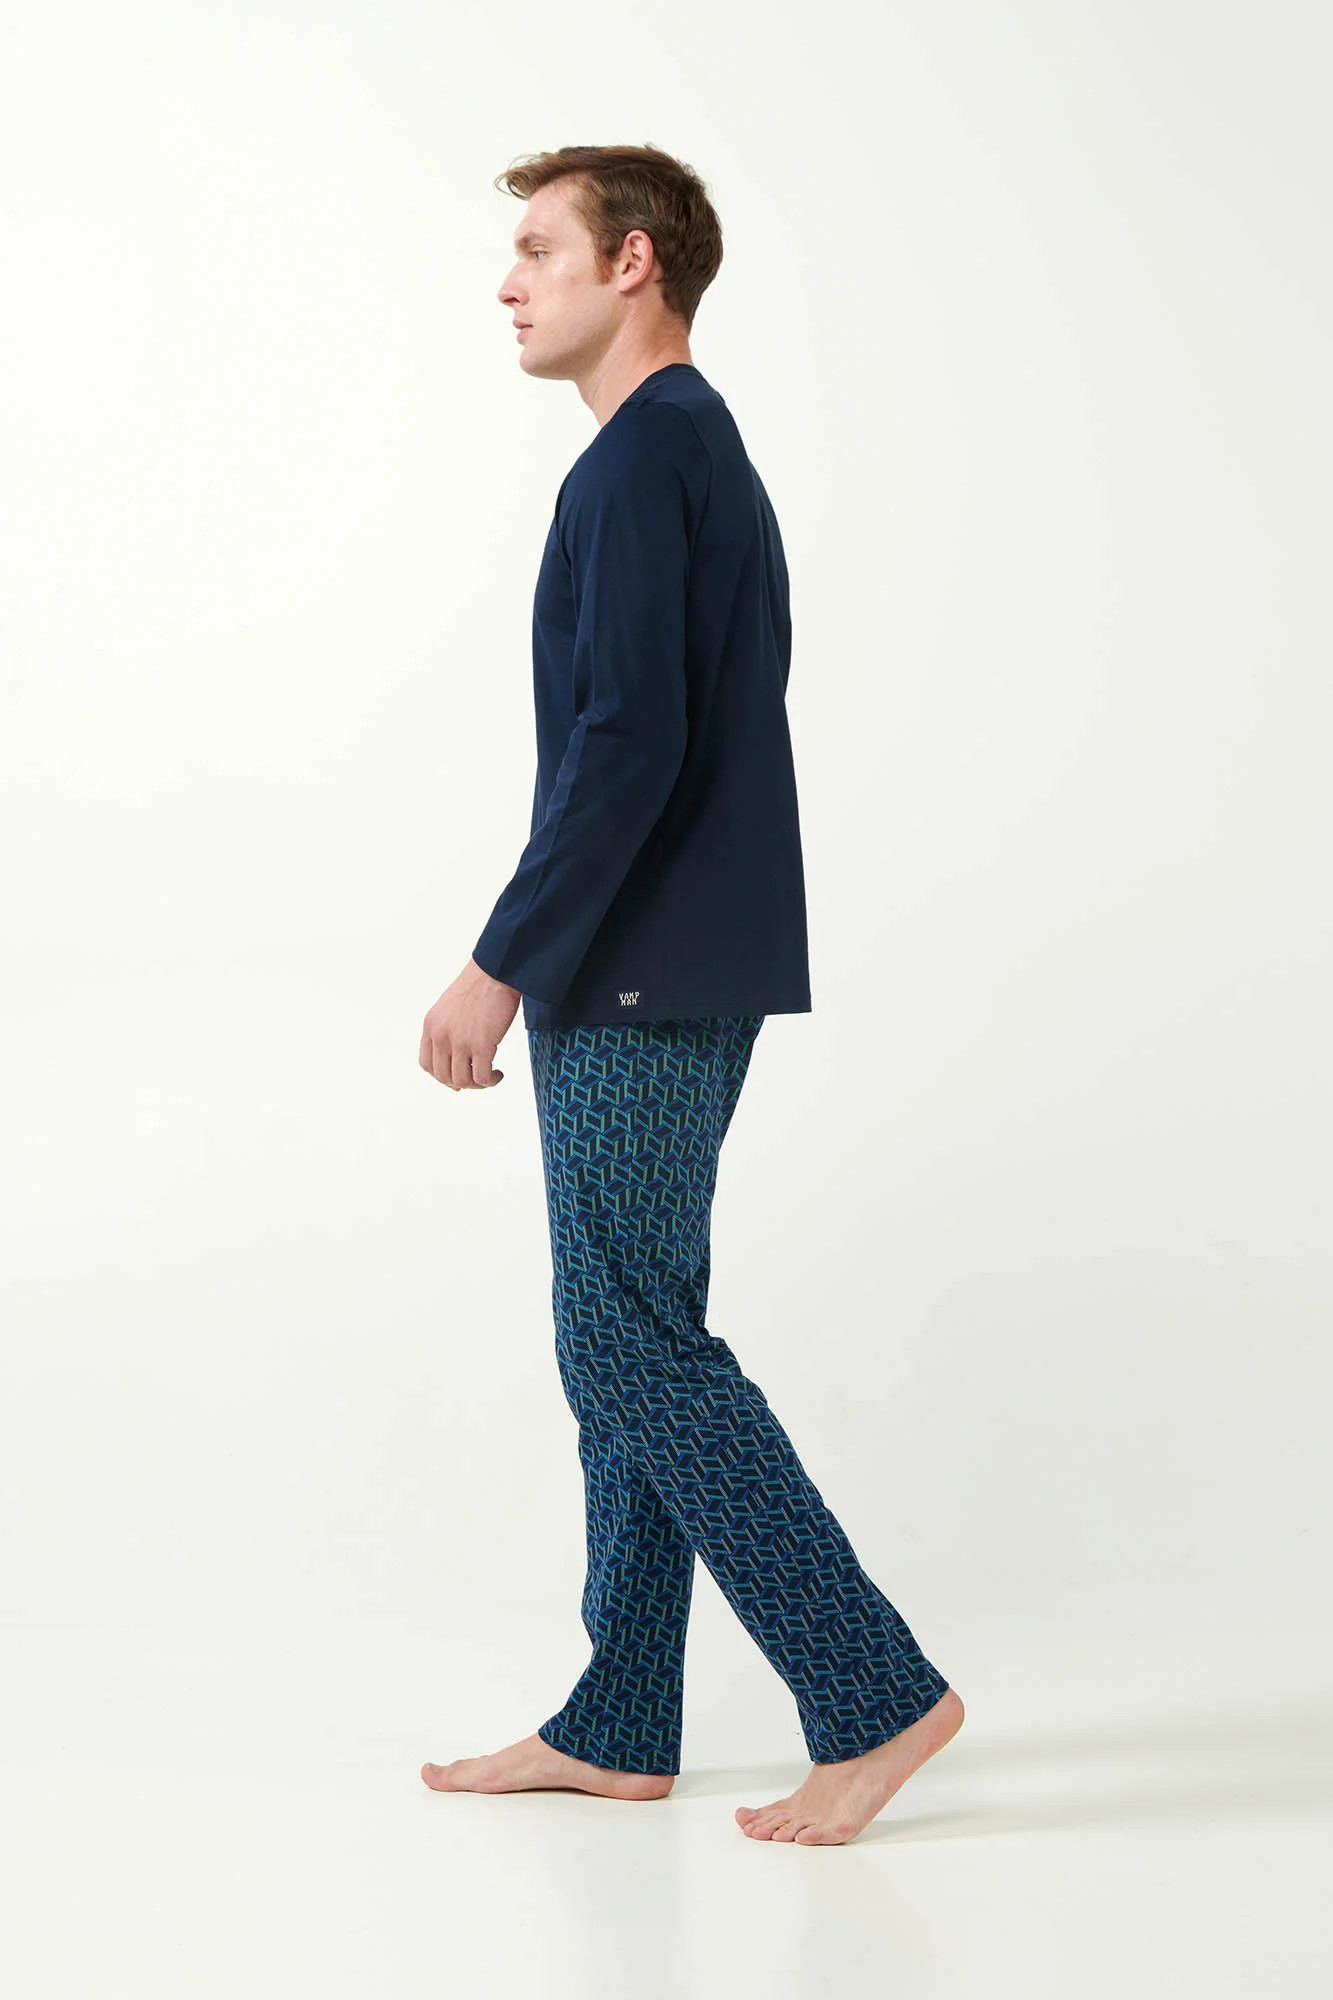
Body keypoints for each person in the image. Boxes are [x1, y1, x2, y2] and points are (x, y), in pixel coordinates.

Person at [417, 143, 963, 1845]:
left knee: (632, 1341)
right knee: (619, 1337)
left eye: (538, 249)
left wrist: (499, 961)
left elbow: (630, 743)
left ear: (632, 262)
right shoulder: (666, 450)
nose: (508, 283)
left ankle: (874, 1695)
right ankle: (621, 1715)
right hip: (647, 960)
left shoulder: (649, 454)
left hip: (641, 968)